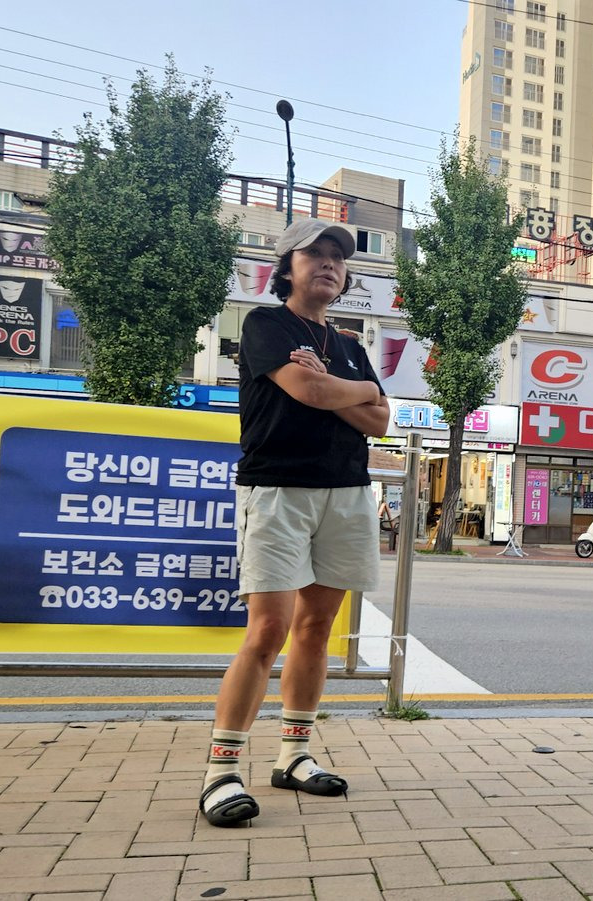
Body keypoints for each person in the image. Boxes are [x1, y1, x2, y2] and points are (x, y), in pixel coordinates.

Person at [200, 218, 390, 828]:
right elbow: (310, 394)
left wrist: (338, 384)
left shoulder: (351, 344)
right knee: (268, 630)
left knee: (316, 628)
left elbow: (381, 419)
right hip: (277, 489)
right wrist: (349, 391)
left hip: (346, 491)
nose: (329, 263)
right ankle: (221, 772)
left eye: (338, 256)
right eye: (316, 254)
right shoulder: (266, 325)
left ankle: (293, 755)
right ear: (287, 267)